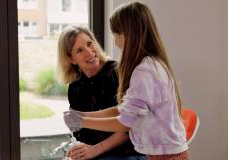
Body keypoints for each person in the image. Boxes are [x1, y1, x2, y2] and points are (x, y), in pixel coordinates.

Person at [63, 2, 189, 160]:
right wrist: (83, 115)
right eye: (80, 50)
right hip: (160, 153)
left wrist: (83, 121)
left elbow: (125, 123)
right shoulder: (150, 65)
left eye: (116, 34)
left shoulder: (144, 72)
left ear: (129, 34)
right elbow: (123, 110)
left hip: (165, 155)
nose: (115, 42)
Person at [57, 25, 145, 160]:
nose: (89, 52)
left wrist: (94, 150)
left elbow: (129, 127)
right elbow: (80, 131)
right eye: (80, 50)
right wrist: (80, 150)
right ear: (71, 59)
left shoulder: (119, 72)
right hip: (97, 153)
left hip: (128, 152)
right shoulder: (75, 86)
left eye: (89, 44)